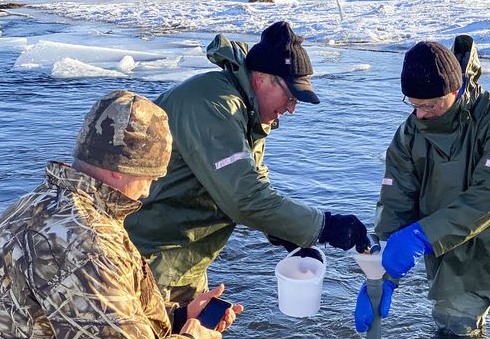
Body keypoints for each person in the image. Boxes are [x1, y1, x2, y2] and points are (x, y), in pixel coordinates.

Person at [0, 90, 238, 339]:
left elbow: (63, 322)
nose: (148, 192)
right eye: (150, 178)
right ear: (124, 169)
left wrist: (177, 319)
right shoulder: (89, 242)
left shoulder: (27, 208)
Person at [126, 21, 369, 306]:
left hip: (181, 263)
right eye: (291, 97)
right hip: (144, 259)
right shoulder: (214, 106)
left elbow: (253, 184)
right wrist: (323, 226)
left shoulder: (250, 113)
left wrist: (289, 234)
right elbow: (243, 199)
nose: (292, 108)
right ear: (262, 78)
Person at [354, 40, 490, 339]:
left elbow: (489, 197)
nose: (421, 115)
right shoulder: (409, 135)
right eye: (413, 104)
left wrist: (422, 236)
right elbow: (395, 201)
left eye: (429, 105)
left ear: (455, 91)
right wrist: (382, 273)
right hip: (451, 267)